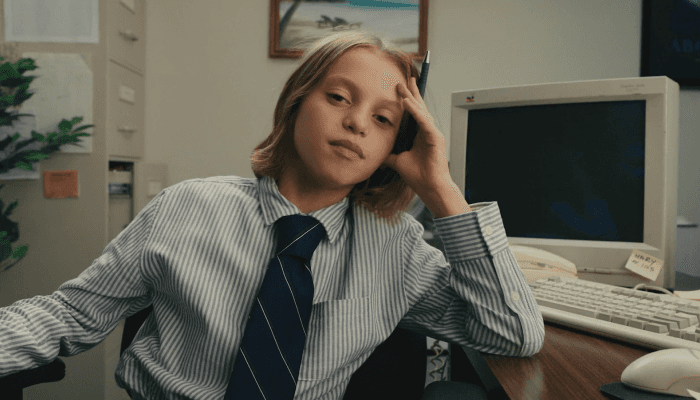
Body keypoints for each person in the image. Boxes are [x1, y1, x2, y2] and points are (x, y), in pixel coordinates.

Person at [0, 30, 544, 399]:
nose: (357, 123)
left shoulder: (395, 247)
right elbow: (70, 314)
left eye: (383, 120)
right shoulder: (186, 208)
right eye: (339, 97)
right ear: (295, 102)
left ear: (394, 147)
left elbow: (512, 333)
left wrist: (441, 188)